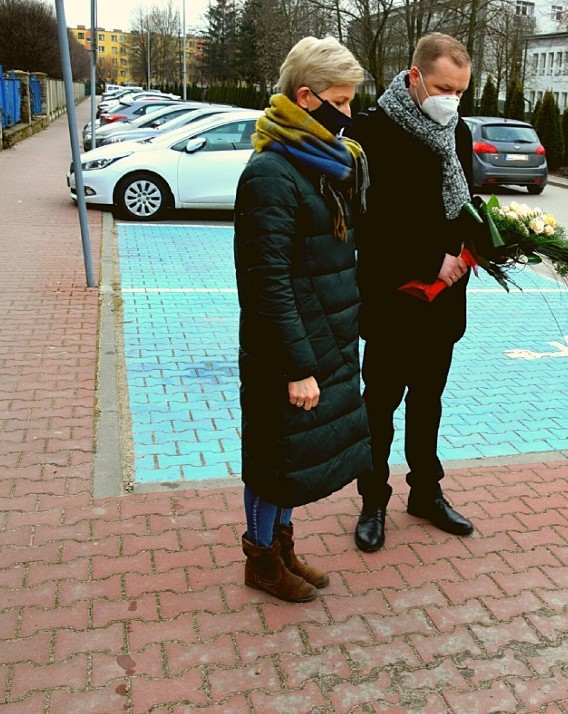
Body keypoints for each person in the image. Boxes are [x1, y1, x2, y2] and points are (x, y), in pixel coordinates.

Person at [234, 36, 371, 601]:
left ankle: (282, 546)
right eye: (340, 102)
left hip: (322, 338)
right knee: (271, 458)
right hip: (288, 349)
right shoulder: (271, 172)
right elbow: (265, 284)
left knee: (290, 457)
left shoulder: (317, 163)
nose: (349, 114)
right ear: (308, 98)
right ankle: (260, 560)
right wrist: (297, 365)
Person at [346, 33, 483, 552]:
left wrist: (476, 248)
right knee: (379, 405)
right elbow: (372, 223)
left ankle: (425, 493)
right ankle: (372, 501)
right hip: (392, 299)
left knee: (429, 401)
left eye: (461, 90)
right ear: (415, 77)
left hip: (444, 300)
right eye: (444, 87)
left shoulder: (459, 132)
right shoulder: (372, 133)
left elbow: (464, 204)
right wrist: (432, 261)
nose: (451, 99)